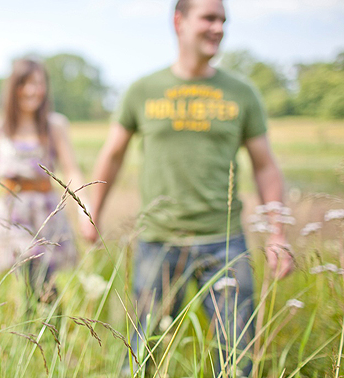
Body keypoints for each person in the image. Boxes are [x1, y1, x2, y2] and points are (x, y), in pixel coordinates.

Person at [81, 0, 294, 375]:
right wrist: (91, 212)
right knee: (143, 354)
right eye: (208, 18)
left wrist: (277, 232)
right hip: (158, 241)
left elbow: (265, 167)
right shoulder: (143, 90)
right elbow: (112, 155)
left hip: (225, 241)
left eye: (223, 20)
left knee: (236, 355)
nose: (218, 28)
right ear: (179, 21)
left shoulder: (242, 93)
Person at [0, 58, 86, 305]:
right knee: (28, 280)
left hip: (45, 212)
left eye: (38, 83)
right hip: (12, 213)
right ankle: (33, 329)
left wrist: (84, 211)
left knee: (44, 281)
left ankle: (50, 332)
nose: (31, 90)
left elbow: (71, 169)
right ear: (13, 87)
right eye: (25, 83)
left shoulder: (54, 125)